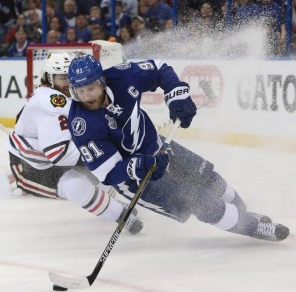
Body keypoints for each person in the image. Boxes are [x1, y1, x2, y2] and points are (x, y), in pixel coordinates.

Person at [67, 53, 289, 242]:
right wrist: (142, 165)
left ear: (102, 81)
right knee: (199, 199)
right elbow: (108, 174)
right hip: (136, 179)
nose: (87, 97)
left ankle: (245, 214)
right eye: (80, 91)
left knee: (211, 179)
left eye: (91, 89)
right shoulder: (82, 125)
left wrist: (176, 95)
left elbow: (160, 69)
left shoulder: (122, 76)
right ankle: (252, 226)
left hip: (157, 146)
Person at [6, 52, 143, 235]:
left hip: (58, 153)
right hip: (32, 166)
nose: (69, 82)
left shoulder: (75, 94)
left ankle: (114, 203)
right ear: (49, 78)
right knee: (75, 185)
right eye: (63, 77)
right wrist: (100, 154)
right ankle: (121, 214)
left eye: (70, 76)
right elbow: (58, 153)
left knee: (101, 172)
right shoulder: (50, 102)